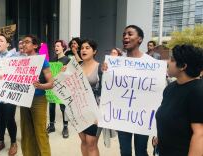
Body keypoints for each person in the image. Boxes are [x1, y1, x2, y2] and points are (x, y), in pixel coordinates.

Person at [102, 25, 153, 156]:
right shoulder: (117, 63)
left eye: (130, 34)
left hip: (142, 116)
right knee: (124, 151)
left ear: (140, 39)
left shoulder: (150, 63)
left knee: (141, 151)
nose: (125, 37)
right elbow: (111, 89)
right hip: (123, 115)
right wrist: (106, 73)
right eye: (124, 34)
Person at [155, 45, 203, 156]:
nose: (167, 62)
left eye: (172, 60)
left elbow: (200, 134)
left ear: (183, 66)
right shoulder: (170, 88)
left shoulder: (198, 92)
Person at [20, 35, 53, 156]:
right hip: (24, 99)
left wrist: (40, 86)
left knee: (40, 131)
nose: (24, 44)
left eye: (27, 42)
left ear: (35, 45)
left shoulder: (42, 60)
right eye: (23, 42)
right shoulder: (21, 61)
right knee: (26, 131)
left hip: (38, 99)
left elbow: (51, 83)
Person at [0, 34, 18, 156]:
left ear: (8, 44)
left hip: (9, 93)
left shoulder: (15, 56)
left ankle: (13, 142)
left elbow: (19, 73)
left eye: (1, 40)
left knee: (9, 118)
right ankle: (1, 142)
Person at [77, 39, 101, 156]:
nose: (83, 50)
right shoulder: (76, 68)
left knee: (91, 143)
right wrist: (63, 73)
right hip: (79, 110)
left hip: (95, 110)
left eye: (87, 48)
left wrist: (100, 114)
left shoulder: (101, 67)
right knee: (83, 141)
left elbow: (105, 92)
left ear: (94, 51)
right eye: (82, 48)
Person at [47, 40, 70, 138]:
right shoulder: (52, 59)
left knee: (63, 107)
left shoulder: (67, 60)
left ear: (63, 47)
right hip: (52, 86)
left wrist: (65, 71)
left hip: (62, 87)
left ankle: (65, 127)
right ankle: (52, 125)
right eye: (55, 46)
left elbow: (71, 74)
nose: (56, 48)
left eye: (58, 46)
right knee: (51, 105)